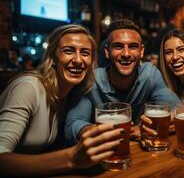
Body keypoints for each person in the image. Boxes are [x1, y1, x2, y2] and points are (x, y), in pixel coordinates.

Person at [0, 24, 125, 177]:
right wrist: (72, 158)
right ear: (53, 56)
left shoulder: (68, 92)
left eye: (85, 53)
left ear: (92, 60)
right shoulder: (28, 87)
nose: (78, 60)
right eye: (68, 51)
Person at [65, 19, 180, 145]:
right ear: (107, 52)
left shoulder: (150, 75)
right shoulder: (91, 80)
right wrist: (96, 131)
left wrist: (145, 127)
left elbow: (175, 108)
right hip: (104, 153)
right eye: (118, 46)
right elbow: (73, 124)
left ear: (141, 51)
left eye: (132, 47)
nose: (126, 54)